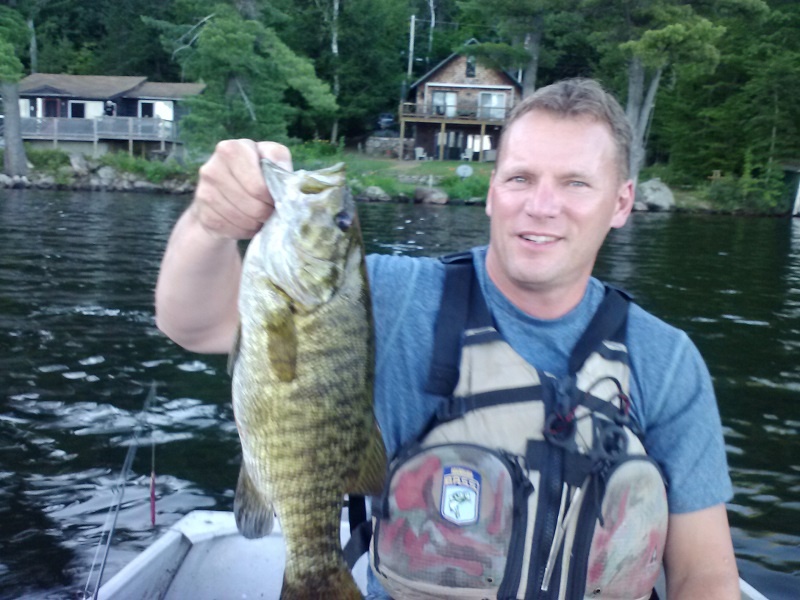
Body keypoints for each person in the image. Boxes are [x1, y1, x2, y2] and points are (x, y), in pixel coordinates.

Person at [155, 78, 740, 598]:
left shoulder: (667, 362)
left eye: (575, 184)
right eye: (520, 177)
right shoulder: (385, 296)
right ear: (491, 192)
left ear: (621, 203)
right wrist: (211, 223)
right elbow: (194, 324)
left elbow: (704, 576)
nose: (541, 206)